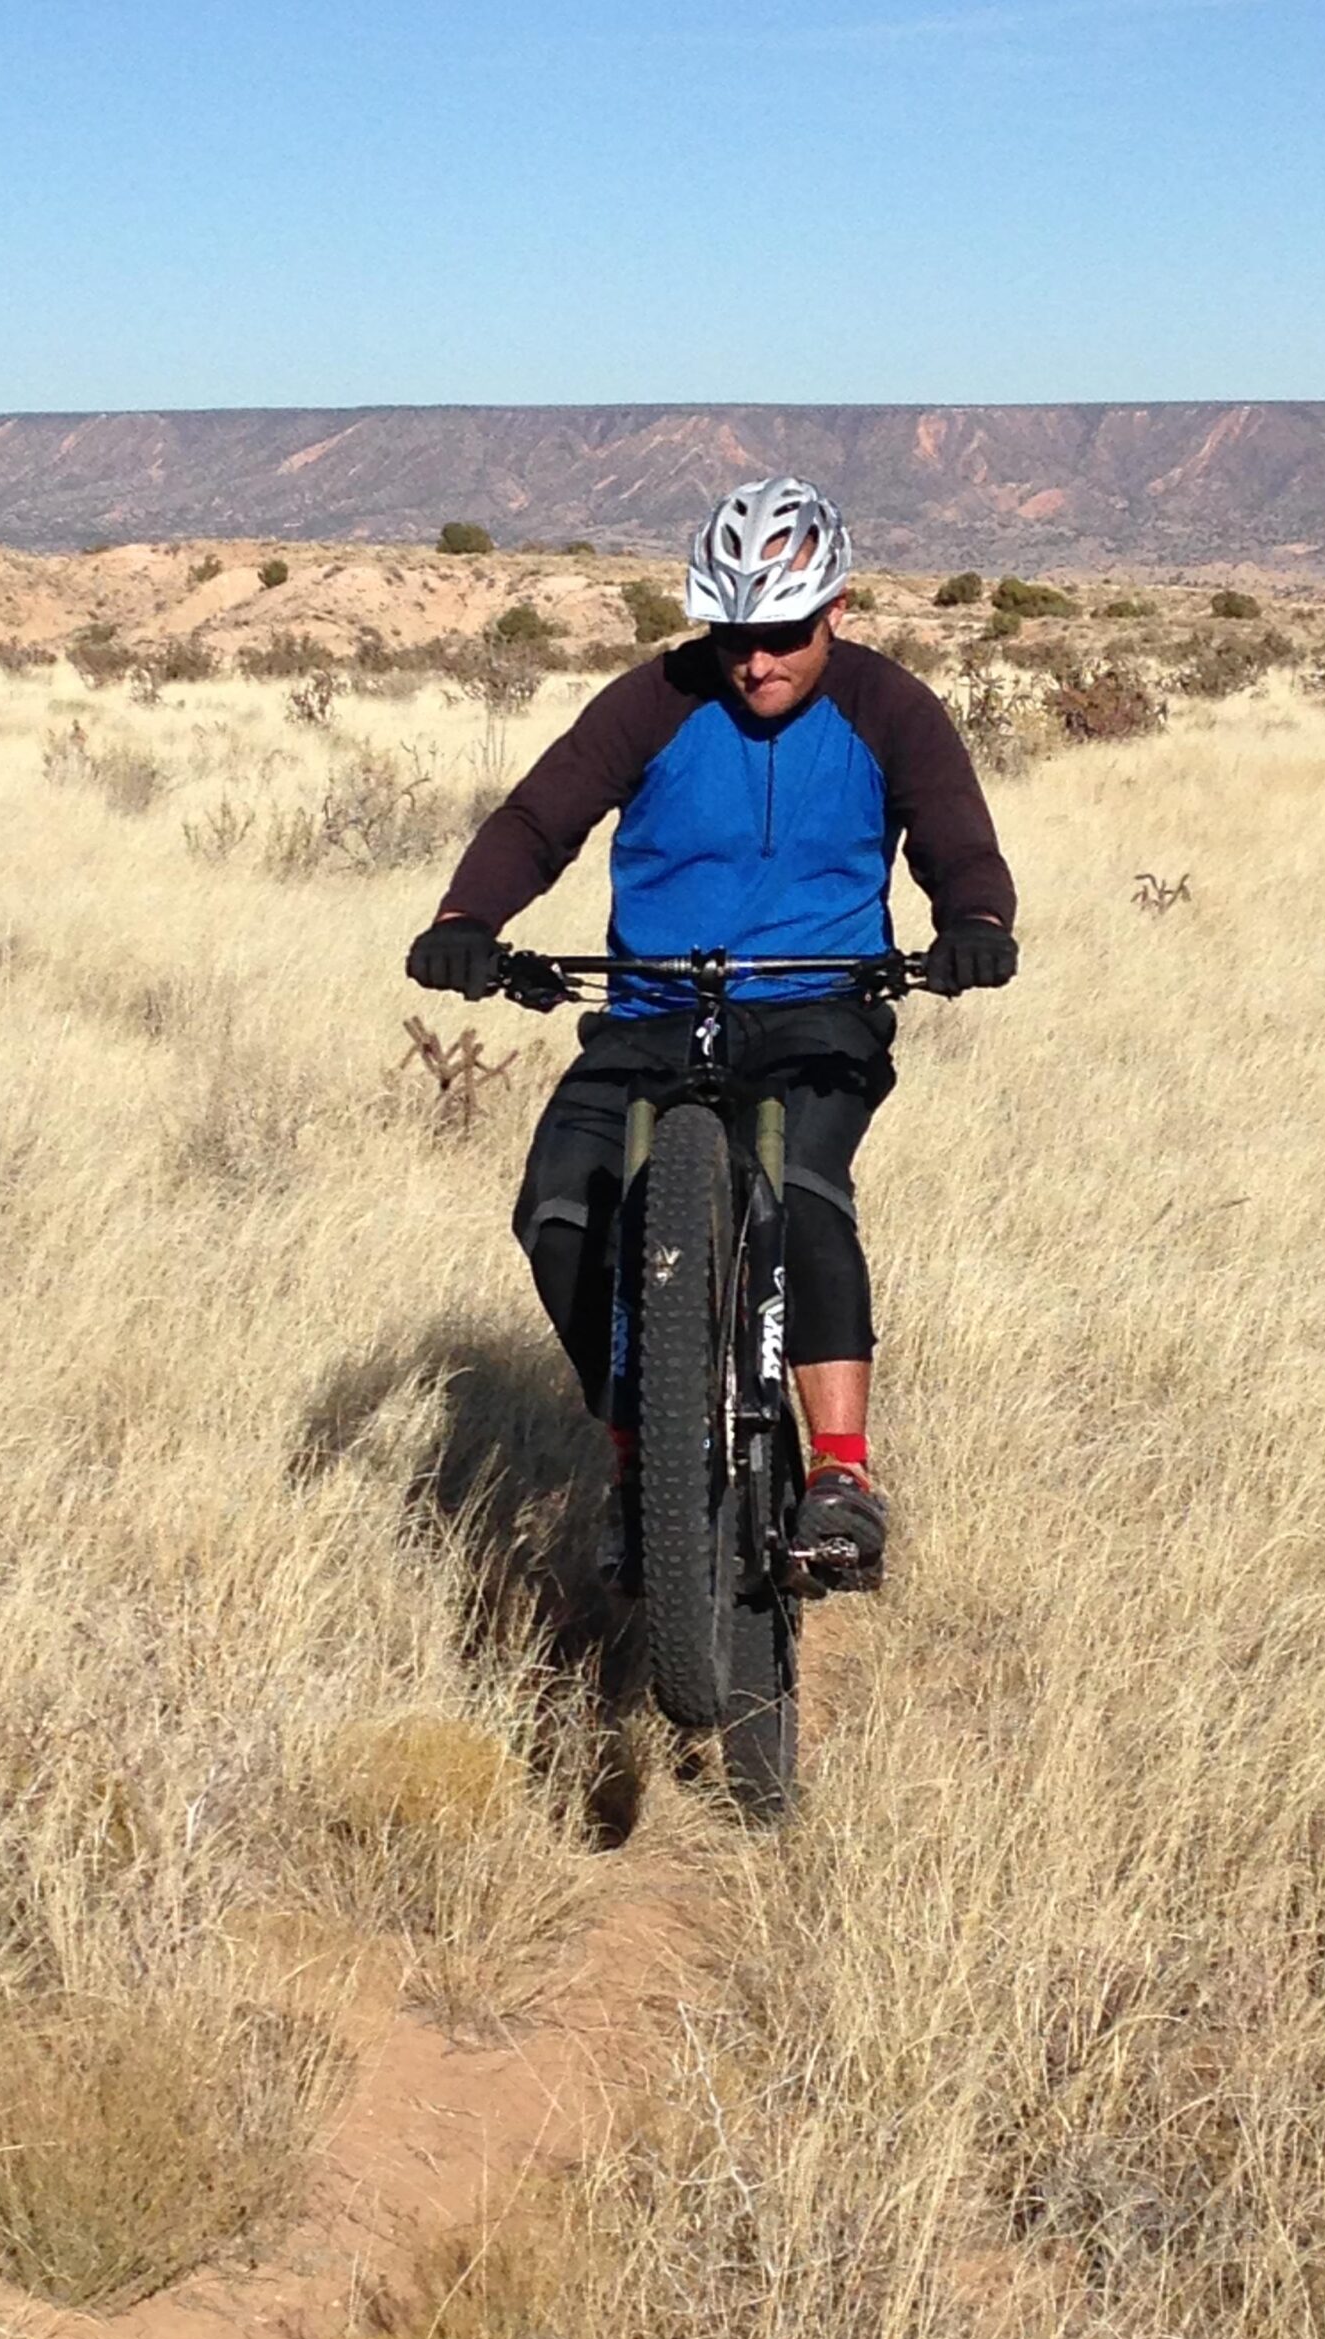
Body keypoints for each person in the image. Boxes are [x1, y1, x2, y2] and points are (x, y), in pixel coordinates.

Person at [406, 474, 1016, 1592]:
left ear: (838, 609)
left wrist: (974, 924)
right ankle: (644, 1460)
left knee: (802, 1184)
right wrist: (467, 921)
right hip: (651, 1012)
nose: (757, 663)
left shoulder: (889, 707)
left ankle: (840, 1472)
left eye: (782, 636)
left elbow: (956, 838)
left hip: (816, 1009)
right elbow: (542, 817)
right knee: (557, 1204)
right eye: (734, 636)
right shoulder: (654, 701)